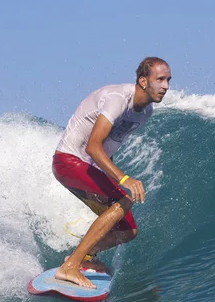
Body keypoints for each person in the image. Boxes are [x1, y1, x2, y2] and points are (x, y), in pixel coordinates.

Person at [52, 57, 171, 288]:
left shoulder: (145, 112)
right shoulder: (118, 99)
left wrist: (109, 180)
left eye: (168, 80)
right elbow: (93, 146)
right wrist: (124, 179)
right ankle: (70, 267)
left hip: (87, 166)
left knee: (127, 231)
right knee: (124, 200)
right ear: (143, 81)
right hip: (69, 161)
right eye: (160, 79)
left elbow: (107, 147)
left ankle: (85, 258)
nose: (166, 86)